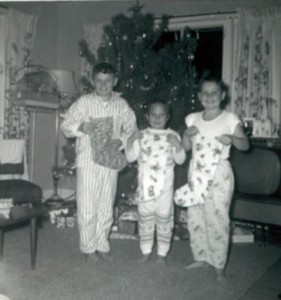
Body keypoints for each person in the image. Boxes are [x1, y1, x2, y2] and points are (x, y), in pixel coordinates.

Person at [175, 76, 249, 281]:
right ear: (199, 96)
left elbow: (245, 145)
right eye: (205, 93)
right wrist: (187, 135)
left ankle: (218, 265)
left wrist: (233, 139)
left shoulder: (230, 119)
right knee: (195, 216)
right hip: (196, 172)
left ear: (222, 95)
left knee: (218, 219)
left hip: (219, 174)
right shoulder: (192, 118)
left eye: (214, 92)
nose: (209, 96)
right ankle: (200, 257)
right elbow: (186, 148)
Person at [61, 62, 136, 262]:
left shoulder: (121, 105)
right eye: (99, 81)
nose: (103, 85)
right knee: (87, 204)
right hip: (87, 160)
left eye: (108, 81)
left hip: (110, 160)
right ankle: (88, 247)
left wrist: (120, 141)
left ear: (115, 81)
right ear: (93, 81)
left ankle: (102, 243)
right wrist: (82, 126)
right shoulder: (84, 102)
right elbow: (66, 125)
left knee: (106, 203)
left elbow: (132, 130)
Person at [126, 101, 186, 265]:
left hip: (165, 190)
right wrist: (131, 141)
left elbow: (180, 161)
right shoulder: (141, 134)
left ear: (168, 117)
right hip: (145, 189)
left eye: (161, 115)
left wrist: (178, 146)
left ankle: (162, 253)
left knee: (164, 220)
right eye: (154, 114)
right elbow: (130, 157)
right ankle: (145, 251)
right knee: (145, 220)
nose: (157, 118)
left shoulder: (172, 135)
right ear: (147, 116)